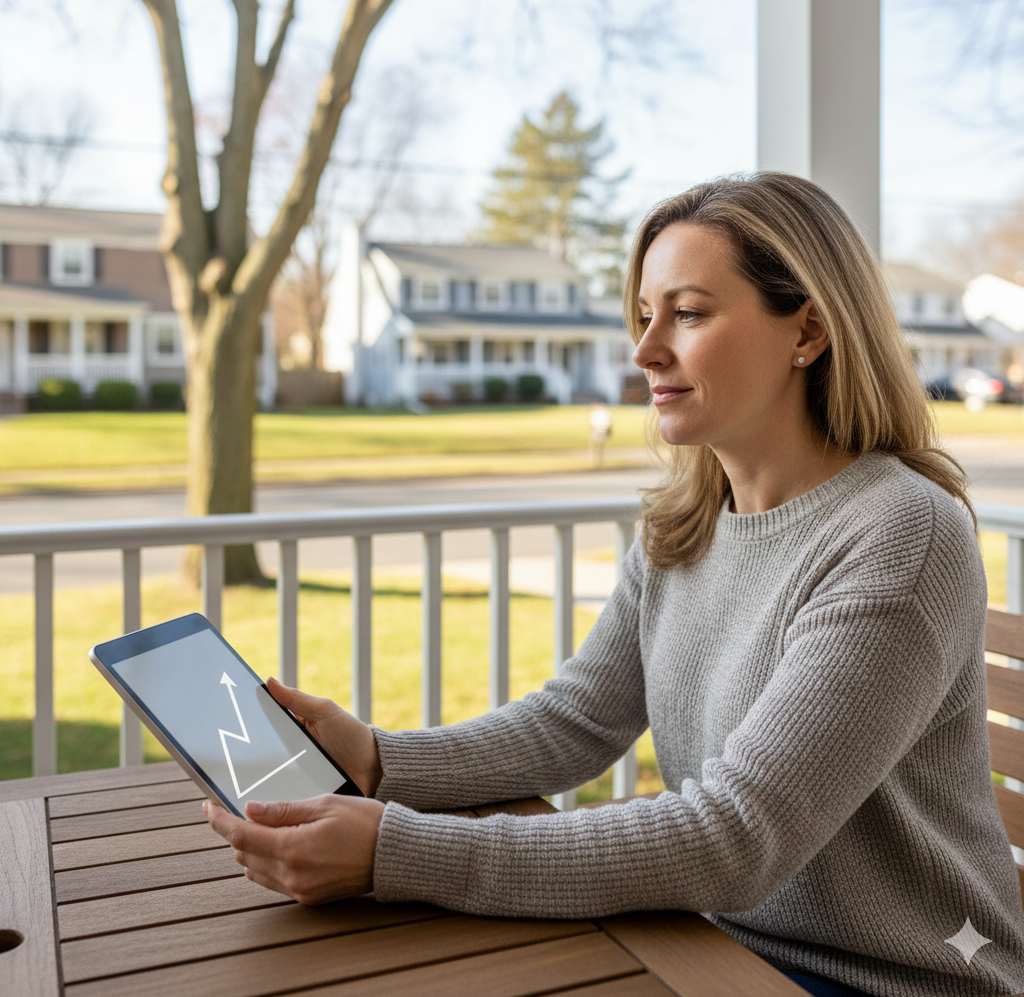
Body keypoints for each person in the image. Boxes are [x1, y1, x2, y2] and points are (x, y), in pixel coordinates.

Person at [205, 172, 1024, 997]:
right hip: (716, 948)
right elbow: (577, 722)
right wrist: (379, 761)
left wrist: (396, 851)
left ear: (807, 329)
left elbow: (735, 839)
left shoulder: (898, 533)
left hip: (893, 981)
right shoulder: (687, 523)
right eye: (643, 316)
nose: (645, 350)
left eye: (688, 314)